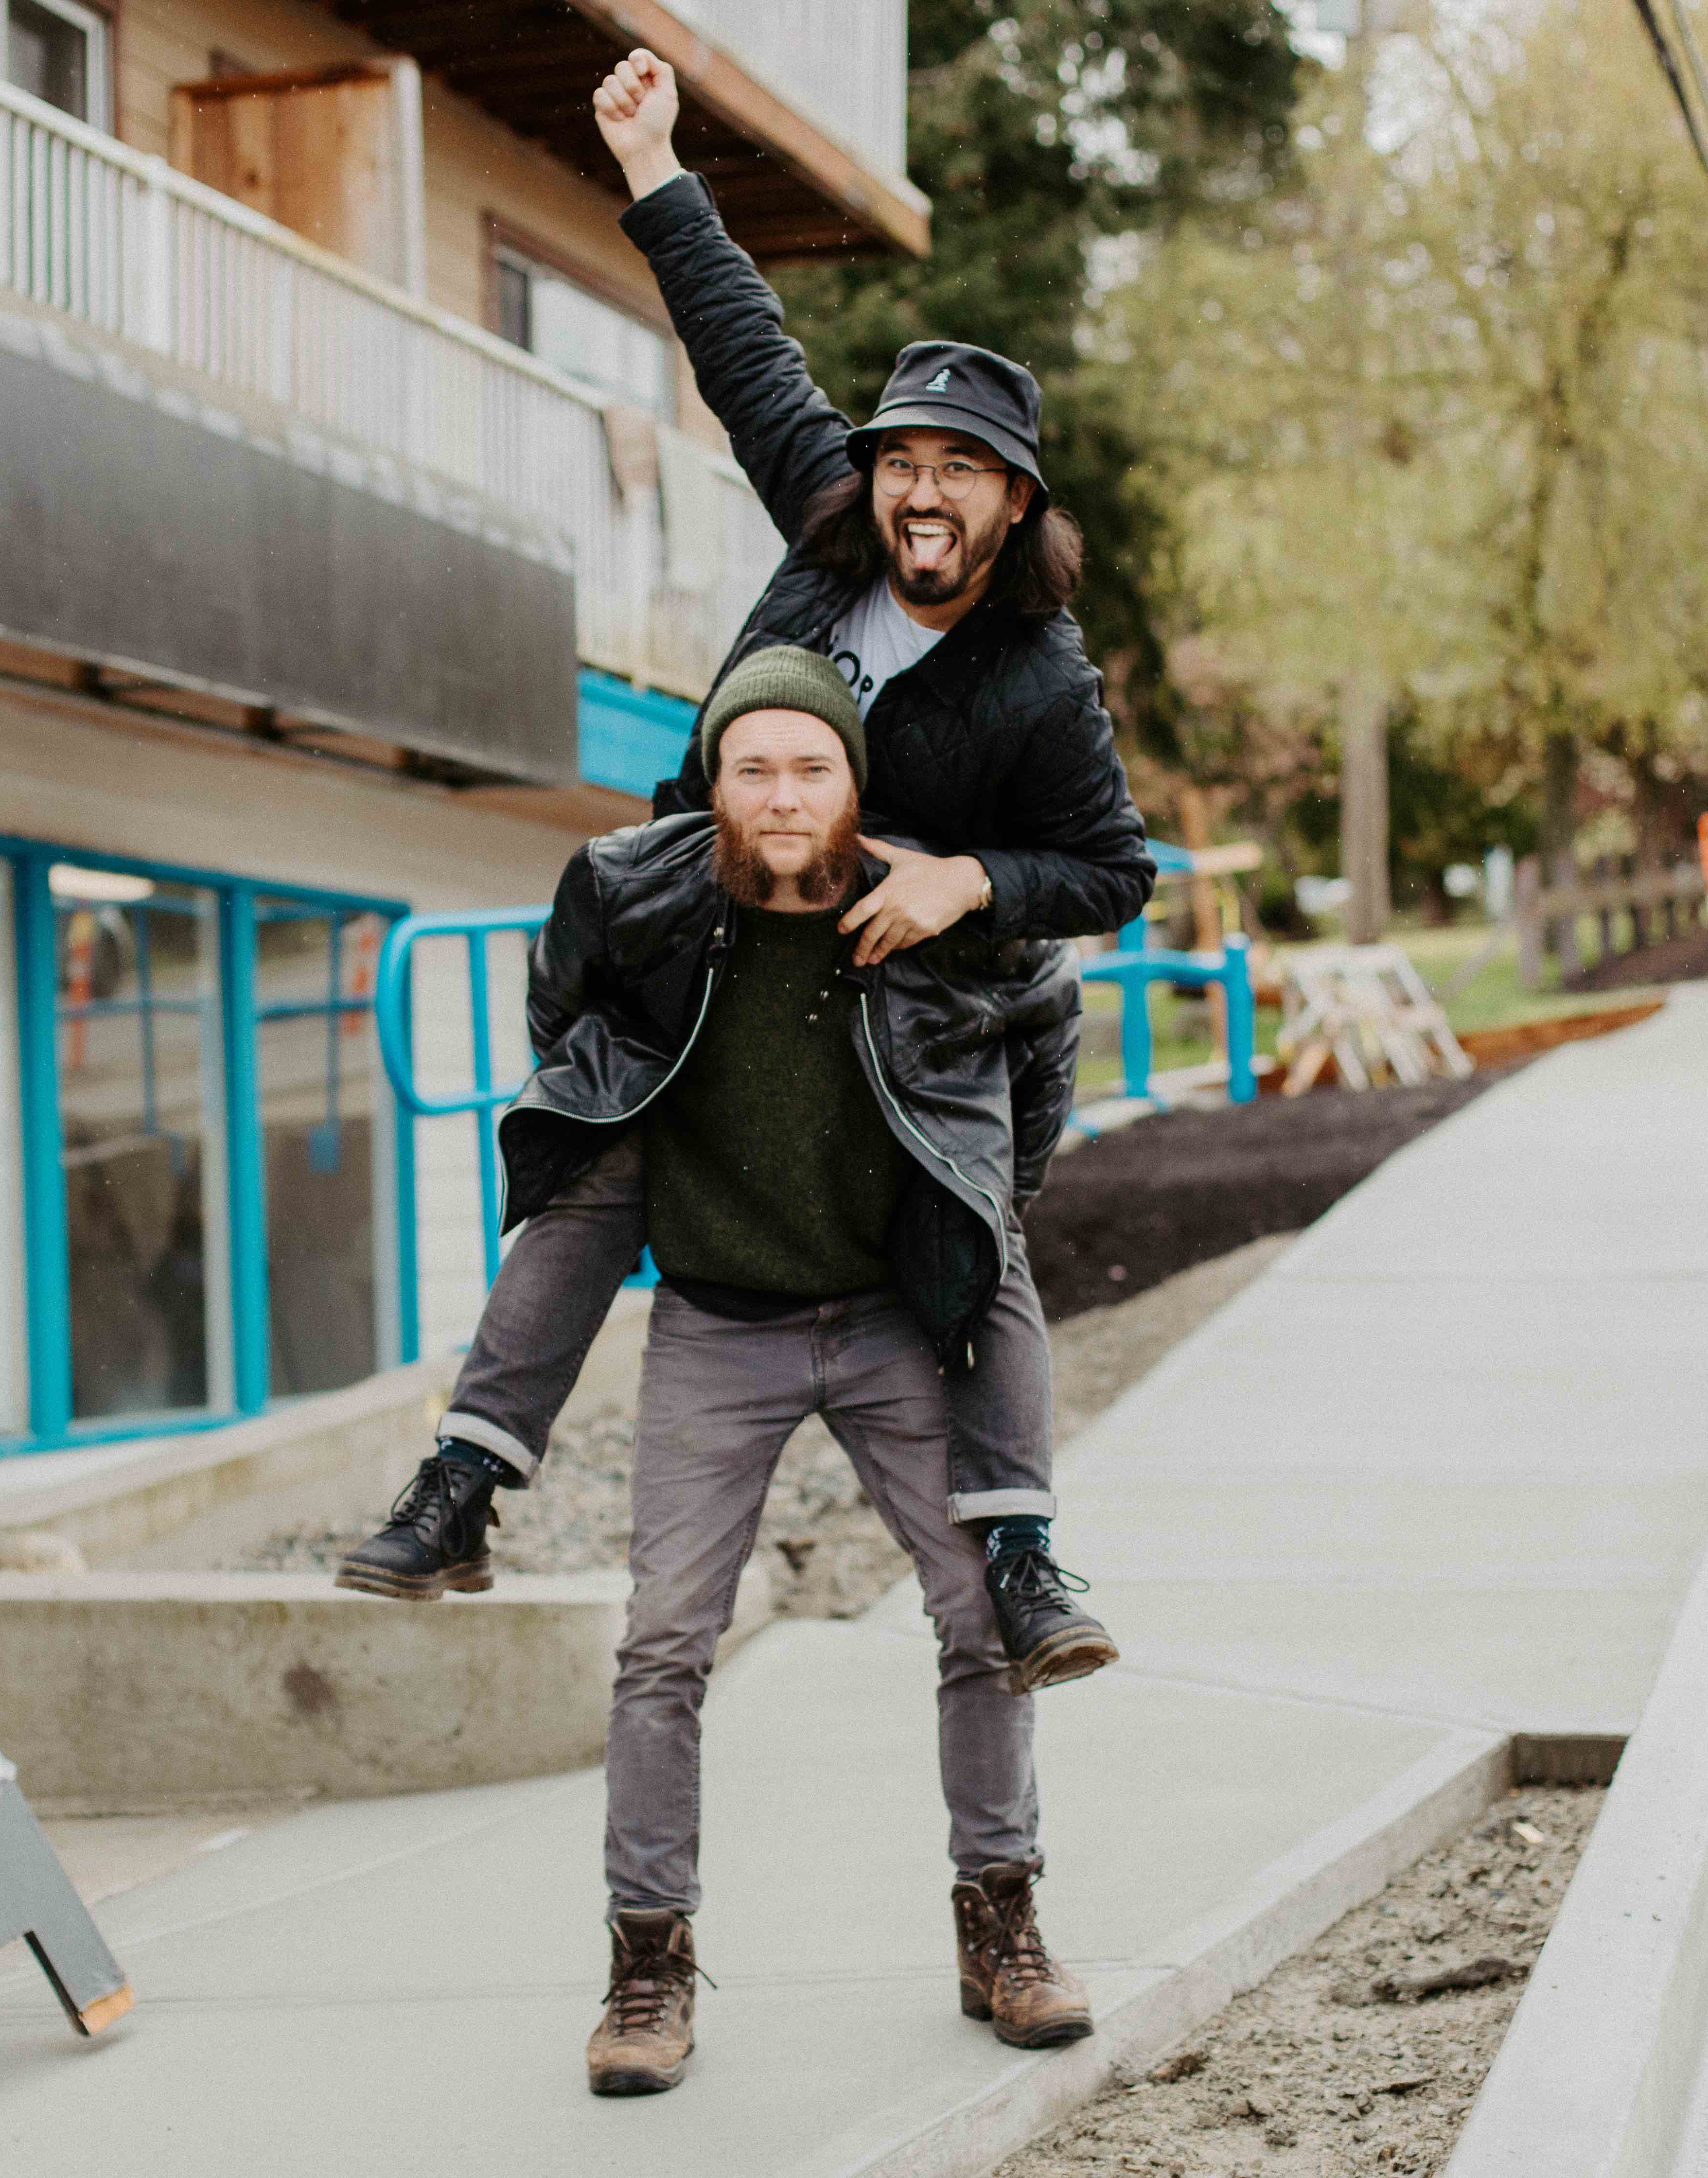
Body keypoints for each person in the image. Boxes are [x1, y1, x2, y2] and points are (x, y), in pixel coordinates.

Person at [335, 48, 1155, 1691]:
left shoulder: (1040, 677)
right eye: (906, 458)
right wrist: (649, 165)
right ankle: (466, 1482)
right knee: (592, 1160)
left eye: (961, 471)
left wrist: (967, 882)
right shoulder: (828, 522)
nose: (922, 491)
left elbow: (1112, 872)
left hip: (904, 1003)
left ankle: (1022, 1544)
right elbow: (743, 345)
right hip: (719, 957)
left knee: (971, 1202)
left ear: (1012, 506)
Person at [501, 650, 1093, 2095]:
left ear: (851, 782)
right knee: (664, 1643)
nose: (781, 793)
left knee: (980, 1610)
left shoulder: (927, 908)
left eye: (809, 766)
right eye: (751, 766)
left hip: (894, 1317)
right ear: (712, 784)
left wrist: (988, 1200)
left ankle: (1001, 1926)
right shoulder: (654, 917)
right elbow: (571, 1041)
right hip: (717, 1323)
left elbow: (1046, 1019)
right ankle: (648, 1968)